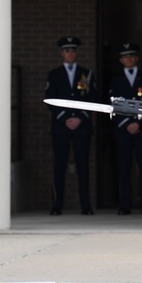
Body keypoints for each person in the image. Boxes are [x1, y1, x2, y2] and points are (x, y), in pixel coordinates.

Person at [45, 35, 97, 215]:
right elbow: (50, 100)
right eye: (67, 51)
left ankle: (86, 206)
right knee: (59, 166)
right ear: (61, 53)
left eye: (73, 50)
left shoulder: (87, 74)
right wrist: (64, 118)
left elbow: (93, 99)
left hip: (82, 127)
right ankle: (56, 205)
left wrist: (80, 118)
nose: (70, 54)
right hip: (61, 127)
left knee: (83, 166)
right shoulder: (54, 74)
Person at [108, 42, 142, 215]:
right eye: (125, 56)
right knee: (123, 167)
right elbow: (112, 104)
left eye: (131, 55)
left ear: (136, 58)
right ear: (121, 60)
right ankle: (125, 204)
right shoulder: (115, 80)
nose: (128, 59)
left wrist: (139, 122)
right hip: (123, 131)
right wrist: (125, 123)